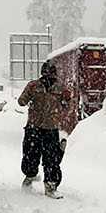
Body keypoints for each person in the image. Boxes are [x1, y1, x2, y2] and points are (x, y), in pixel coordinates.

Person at [18, 60, 72, 198]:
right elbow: (21, 101)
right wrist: (28, 95)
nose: (49, 76)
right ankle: (30, 175)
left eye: (51, 73)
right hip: (34, 127)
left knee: (51, 159)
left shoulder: (61, 89)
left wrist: (65, 101)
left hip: (50, 129)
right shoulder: (33, 86)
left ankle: (50, 186)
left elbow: (68, 106)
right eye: (47, 73)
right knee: (31, 156)